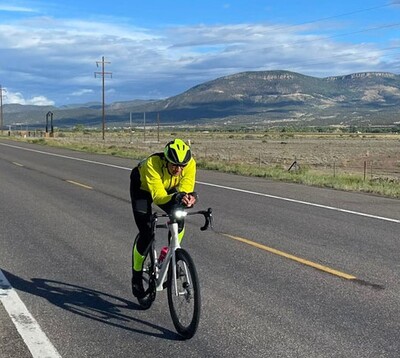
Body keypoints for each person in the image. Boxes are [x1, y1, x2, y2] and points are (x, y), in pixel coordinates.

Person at [130, 138, 197, 298]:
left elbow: (185, 190)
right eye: (174, 164)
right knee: (146, 233)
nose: (178, 169)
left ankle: (170, 253)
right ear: (166, 160)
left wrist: (188, 199)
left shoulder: (190, 164)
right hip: (143, 188)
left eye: (182, 166)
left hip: (169, 188)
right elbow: (159, 197)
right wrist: (177, 197)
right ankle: (137, 275)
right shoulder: (152, 163)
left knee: (179, 215)